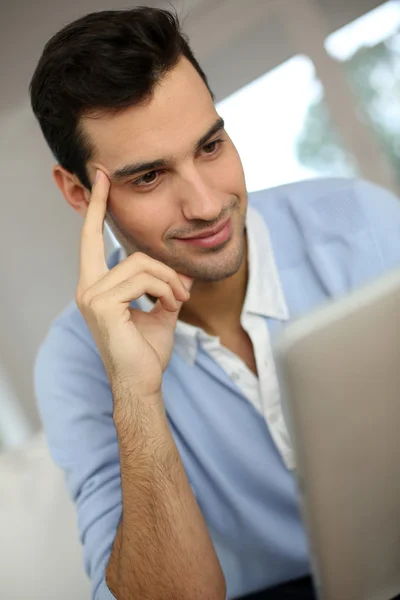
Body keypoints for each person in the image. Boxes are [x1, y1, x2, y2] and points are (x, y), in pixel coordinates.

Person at [30, 7, 400, 600]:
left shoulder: (368, 226)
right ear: (80, 194)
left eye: (210, 146)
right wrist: (136, 392)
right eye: (149, 177)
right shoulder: (73, 364)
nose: (205, 204)